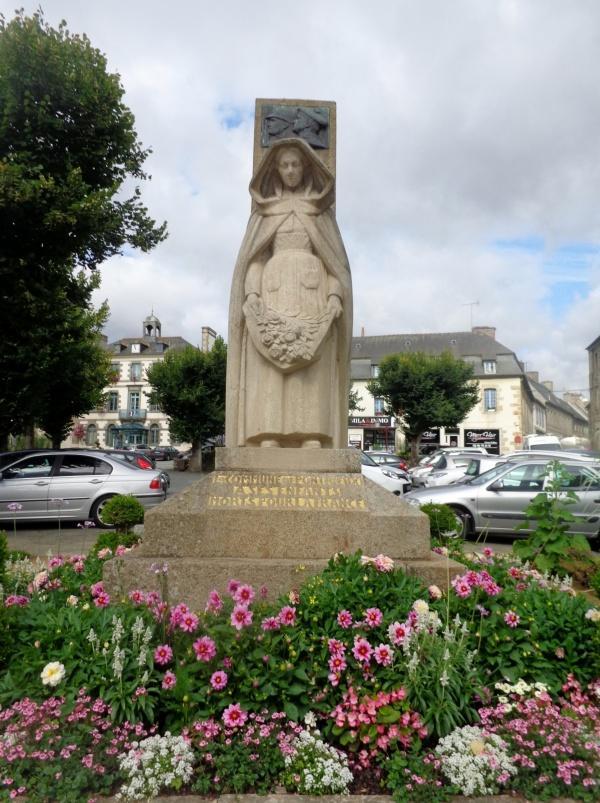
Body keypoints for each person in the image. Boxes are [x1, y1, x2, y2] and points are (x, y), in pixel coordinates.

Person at [226, 137, 352, 448]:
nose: (291, 170)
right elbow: (255, 259)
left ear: (305, 167)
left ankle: (311, 434)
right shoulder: (266, 212)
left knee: (310, 365)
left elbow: (335, 265)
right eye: (285, 165)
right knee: (269, 365)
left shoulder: (319, 212)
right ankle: (267, 433)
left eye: (296, 164)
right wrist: (252, 294)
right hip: (273, 294)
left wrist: (335, 297)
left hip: (312, 296)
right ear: (276, 169)